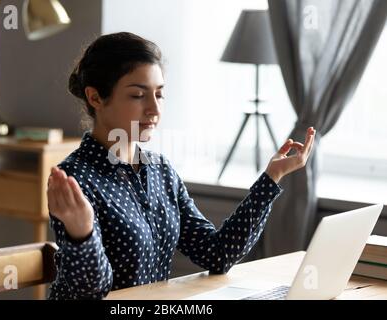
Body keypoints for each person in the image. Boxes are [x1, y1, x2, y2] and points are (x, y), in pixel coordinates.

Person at [46, 32, 316, 300]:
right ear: (95, 98)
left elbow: (217, 253)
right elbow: (92, 292)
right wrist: (82, 234)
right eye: (138, 95)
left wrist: (272, 177)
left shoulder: (160, 171)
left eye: (159, 94)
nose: (154, 109)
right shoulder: (75, 179)